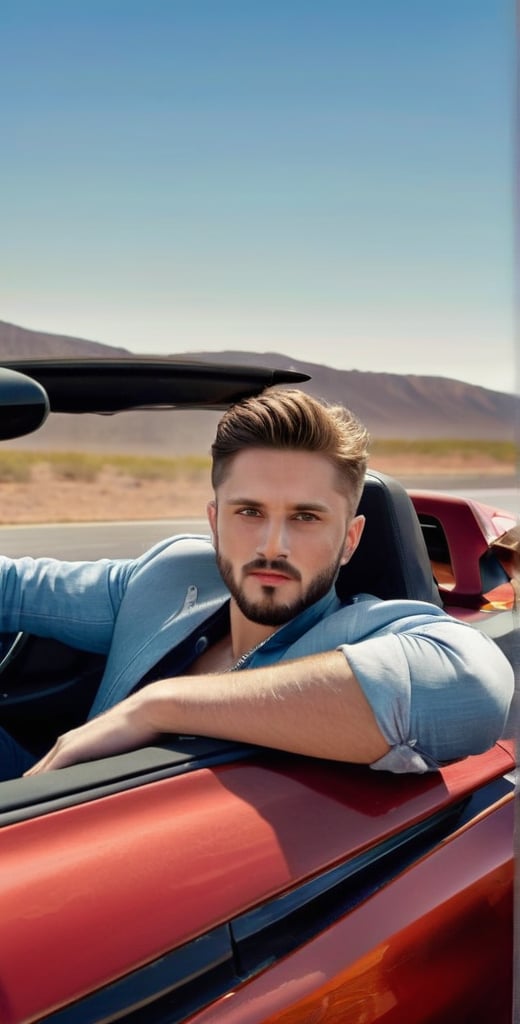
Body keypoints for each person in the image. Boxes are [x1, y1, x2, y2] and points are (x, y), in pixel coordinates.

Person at [0, 387, 513, 781]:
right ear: (215, 520)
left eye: (307, 517)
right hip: (40, 806)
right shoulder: (171, 573)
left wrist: (159, 704)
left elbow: (474, 687)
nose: (273, 545)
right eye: (249, 511)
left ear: (350, 539)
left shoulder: (369, 628)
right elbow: (16, 586)